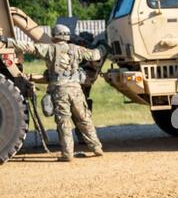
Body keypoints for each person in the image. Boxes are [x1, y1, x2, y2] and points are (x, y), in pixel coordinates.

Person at [1, 24, 107, 162]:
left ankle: (67, 154)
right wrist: (104, 47)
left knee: (64, 122)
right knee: (84, 118)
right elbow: (95, 55)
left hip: (59, 91)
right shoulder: (77, 49)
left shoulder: (49, 49)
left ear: (54, 35)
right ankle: (96, 147)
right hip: (76, 90)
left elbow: (28, 46)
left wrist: (7, 41)